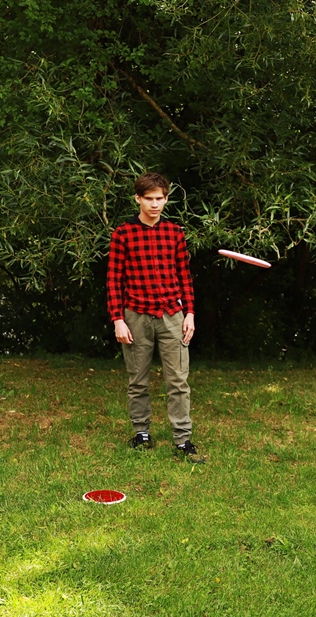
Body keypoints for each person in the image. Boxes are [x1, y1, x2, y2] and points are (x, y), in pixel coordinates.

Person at [107, 172, 204, 463]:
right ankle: (142, 434)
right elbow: (113, 280)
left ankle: (182, 440)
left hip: (172, 315)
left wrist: (190, 313)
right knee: (137, 380)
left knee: (178, 381)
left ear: (166, 199)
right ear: (138, 198)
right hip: (135, 315)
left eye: (159, 198)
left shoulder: (175, 233)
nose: (154, 204)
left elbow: (184, 276)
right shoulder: (123, 233)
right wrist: (118, 319)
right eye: (148, 198)